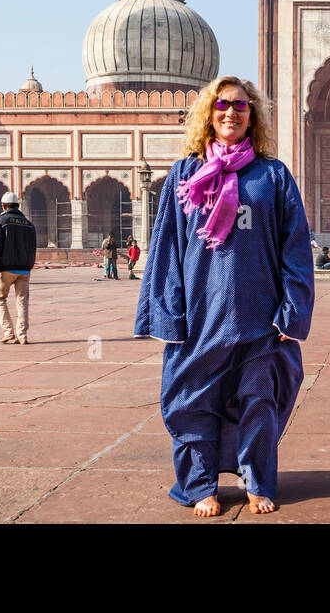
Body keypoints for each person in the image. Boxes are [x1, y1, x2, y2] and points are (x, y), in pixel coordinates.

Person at [133, 74, 313, 517]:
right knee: (192, 402)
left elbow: (295, 249)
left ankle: (257, 480)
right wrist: (167, 313)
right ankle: (198, 486)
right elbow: (167, 248)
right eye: (221, 105)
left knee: (258, 403)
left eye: (240, 105)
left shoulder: (272, 176)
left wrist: (291, 313)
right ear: (208, 114)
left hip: (259, 317)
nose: (230, 112)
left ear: (253, 116)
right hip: (199, 317)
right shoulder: (185, 173)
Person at [0, 191, 37, 345]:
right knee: (22, 301)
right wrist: (28, 266)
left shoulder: (2, 220)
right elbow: (33, 248)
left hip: (6, 268)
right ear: (18, 205)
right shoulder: (28, 224)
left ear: (3, 206)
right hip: (24, 269)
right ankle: (22, 335)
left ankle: (8, 332)